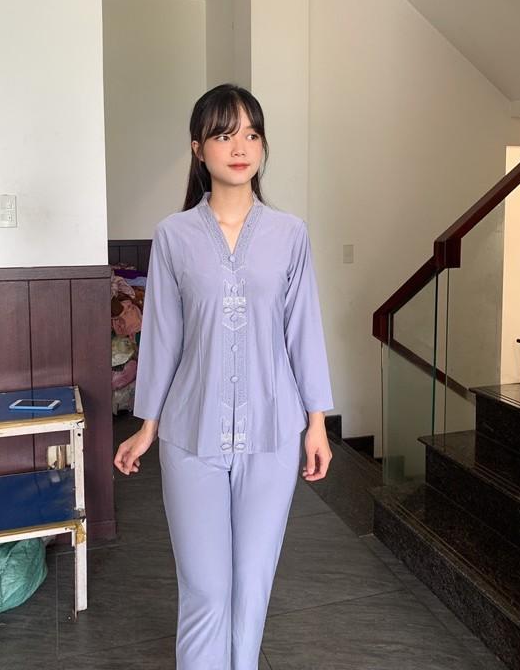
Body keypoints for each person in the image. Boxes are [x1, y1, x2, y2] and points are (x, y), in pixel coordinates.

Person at [114, 83, 335, 670]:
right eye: (224, 134)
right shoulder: (174, 236)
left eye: (252, 134)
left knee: (252, 586)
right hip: (192, 436)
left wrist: (316, 423)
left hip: (272, 434)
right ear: (198, 148)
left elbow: (303, 330)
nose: (241, 147)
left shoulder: (289, 234)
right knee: (206, 590)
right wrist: (147, 426)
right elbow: (163, 336)